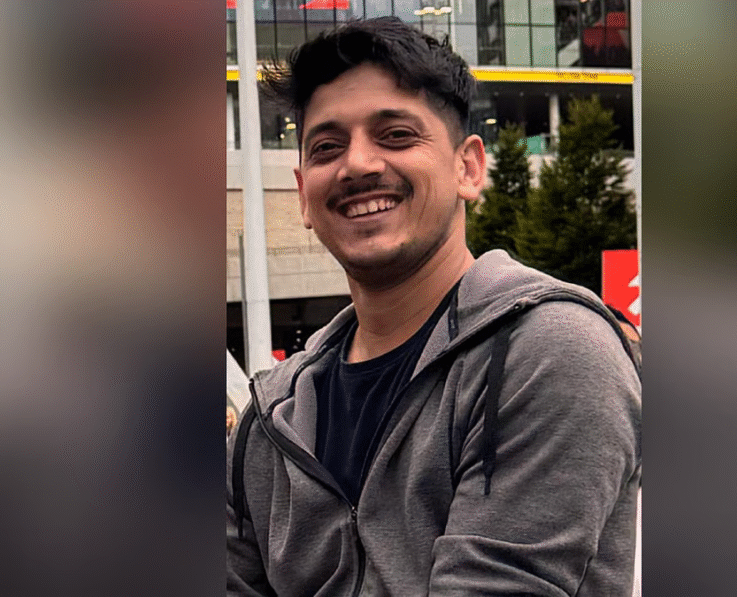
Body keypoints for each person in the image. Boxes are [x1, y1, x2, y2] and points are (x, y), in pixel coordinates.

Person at [227, 17, 641, 596]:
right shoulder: (271, 418)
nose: (358, 164)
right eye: (327, 147)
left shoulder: (549, 352)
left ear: (467, 167)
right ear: (303, 193)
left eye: (396, 135)